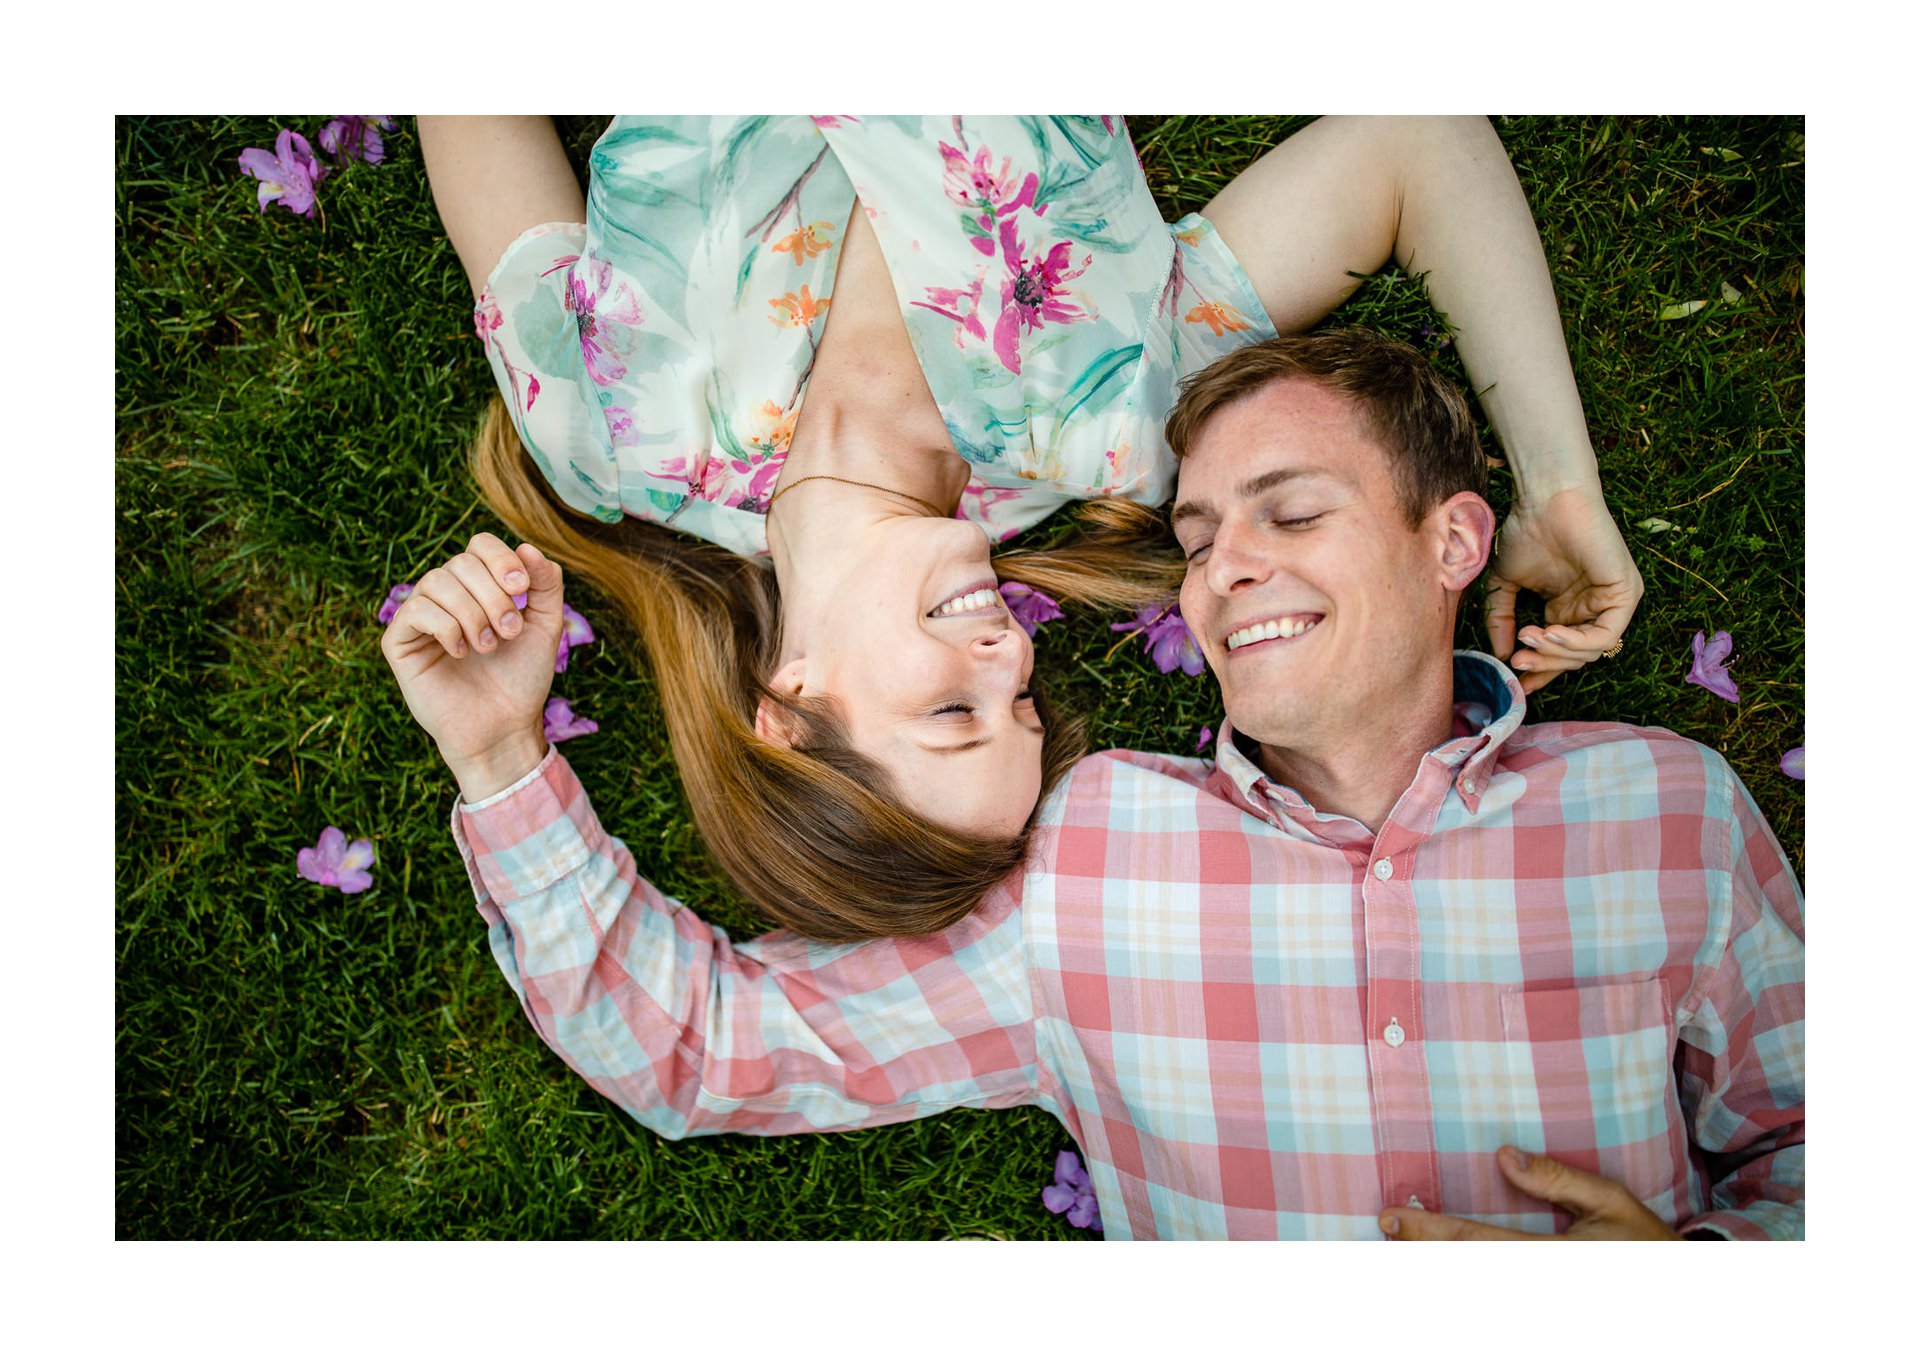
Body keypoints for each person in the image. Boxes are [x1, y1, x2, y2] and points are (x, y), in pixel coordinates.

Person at [413, 327, 1800, 1241]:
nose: (1223, 568)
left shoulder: (1664, 811)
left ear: (1455, 543)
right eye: (1198, 537)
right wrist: (496, 755)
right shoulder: (1089, 865)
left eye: (1293, 510)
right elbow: (709, 1047)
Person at [387, 115, 1642, 942]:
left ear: (788, 702)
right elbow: (1413, 144)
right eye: (1024, 713)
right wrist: (1561, 489)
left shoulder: (604, 435)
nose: (1011, 668)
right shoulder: (1117, 419)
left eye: (950, 715)